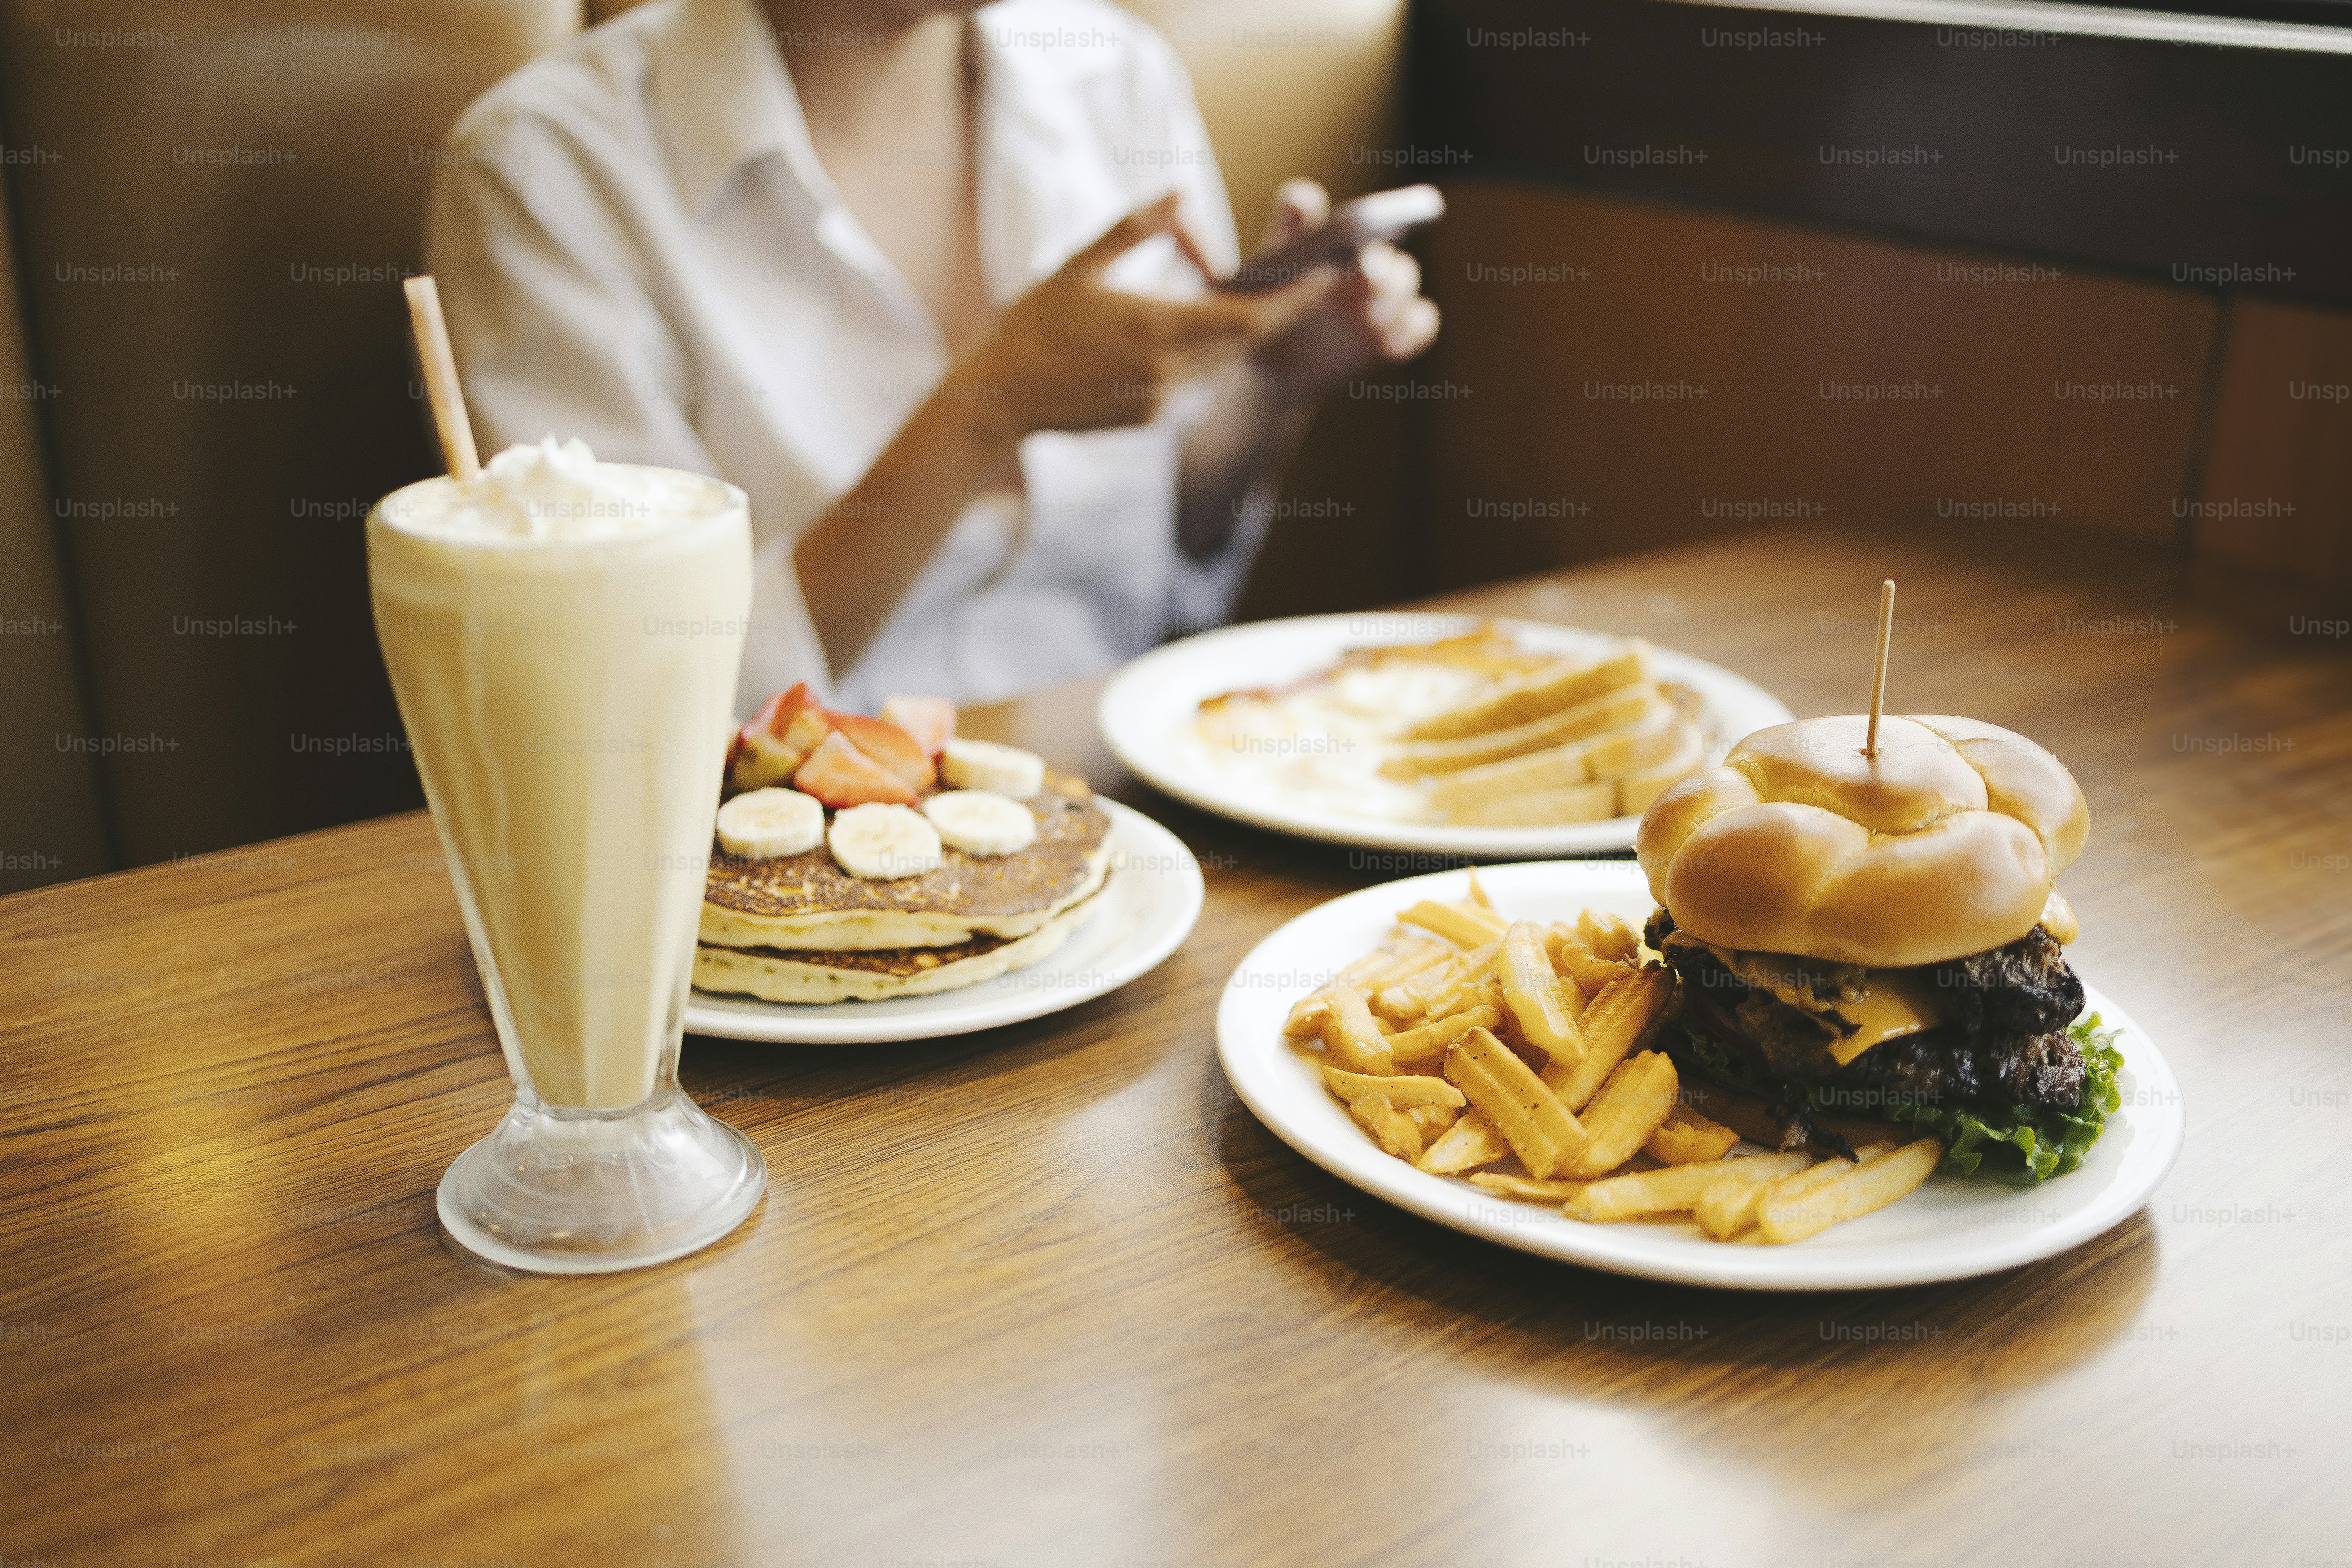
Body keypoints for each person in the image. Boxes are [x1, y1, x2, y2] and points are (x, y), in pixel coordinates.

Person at [425, 0, 1438, 712]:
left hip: (1127, 796)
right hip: (777, 843)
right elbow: (640, 692)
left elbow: (1170, 545)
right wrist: (985, 407)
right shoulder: (548, 169)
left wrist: (1267, 378)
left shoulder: (1116, 77)